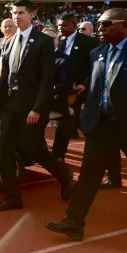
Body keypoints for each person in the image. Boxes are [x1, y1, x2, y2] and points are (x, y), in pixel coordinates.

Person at [45, 8, 127, 241]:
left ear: (125, 25)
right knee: (88, 176)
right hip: (101, 125)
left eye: (106, 24)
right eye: (100, 24)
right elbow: (95, 89)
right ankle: (73, 222)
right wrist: (86, 120)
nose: (100, 29)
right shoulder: (97, 53)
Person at [0, 0, 75, 211]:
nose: (17, 16)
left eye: (21, 12)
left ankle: (64, 174)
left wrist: (37, 108)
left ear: (31, 15)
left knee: (34, 148)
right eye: (14, 12)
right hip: (10, 104)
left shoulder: (42, 41)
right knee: (4, 150)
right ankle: (12, 198)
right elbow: (5, 76)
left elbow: (47, 78)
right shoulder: (8, 41)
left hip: (31, 105)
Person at [53, 13, 99, 160]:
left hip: (81, 90)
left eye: (64, 25)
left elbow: (95, 67)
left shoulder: (89, 42)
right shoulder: (60, 42)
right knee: (68, 120)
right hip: (62, 89)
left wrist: (84, 83)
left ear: (74, 25)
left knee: (76, 120)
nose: (60, 28)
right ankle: (57, 154)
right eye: (59, 25)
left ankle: (100, 147)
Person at [42, 28, 75, 120]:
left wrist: (42, 92)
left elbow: (64, 85)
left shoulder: (65, 60)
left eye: (52, 38)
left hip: (53, 99)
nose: (49, 41)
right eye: (45, 38)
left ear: (58, 40)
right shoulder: (34, 58)